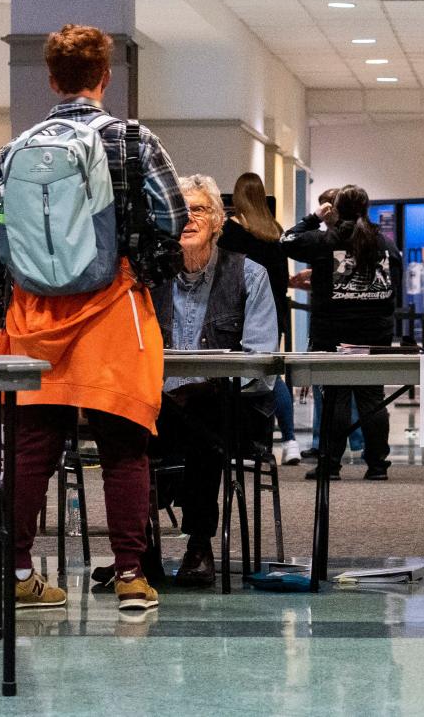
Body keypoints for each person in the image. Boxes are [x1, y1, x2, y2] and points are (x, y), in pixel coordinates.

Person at [0, 24, 188, 610]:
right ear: (105, 78)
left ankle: (12, 575)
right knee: (124, 447)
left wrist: (9, 295)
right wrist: (143, 274)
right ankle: (133, 575)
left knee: (30, 447)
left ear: (53, 79)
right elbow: (172, 218)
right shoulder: (133, 141)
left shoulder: (14, 150)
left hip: (35, 316)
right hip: (114, 310)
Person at [151, 174, 278, 587]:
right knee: (132, 417)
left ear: (218, 222)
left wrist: (202, 389)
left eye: (199, 210)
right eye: (180, 211)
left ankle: (193, 542)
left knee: (206, 409)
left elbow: (258, 366)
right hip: (162, 414)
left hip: (233, 417)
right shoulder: (151, 281)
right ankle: (155, 548)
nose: (188, 218)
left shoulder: (250, 275)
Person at [281, 185, 401, 481]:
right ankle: (376, 466)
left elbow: (285, 241)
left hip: (333, 335)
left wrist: (313, 217)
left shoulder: (325, 241)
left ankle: (330, 464)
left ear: (335, 209)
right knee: (372, 398)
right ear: (366, 209)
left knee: (336, 398)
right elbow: (393, 283)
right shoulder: (384, 243)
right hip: (374, 336)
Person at [217, 172, 299, 465]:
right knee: (270, 375)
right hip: (273, 313)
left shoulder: (230, 231)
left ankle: (244, 442)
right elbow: (282, 280)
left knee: (240, 375)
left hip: (238, 311)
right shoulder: (274, 231)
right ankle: (289, 440)